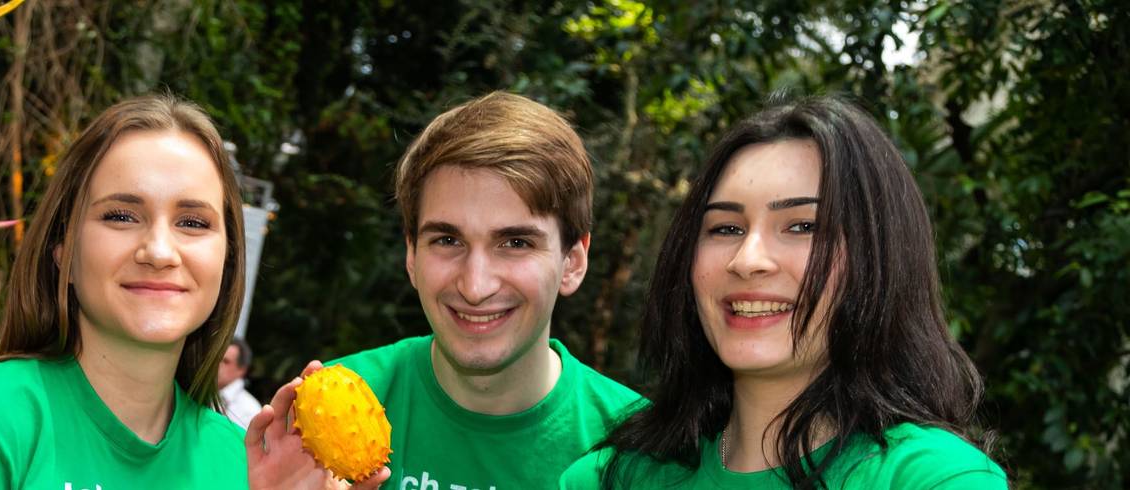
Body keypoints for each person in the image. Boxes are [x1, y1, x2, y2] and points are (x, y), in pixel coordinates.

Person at [559, 96, 1007, 488]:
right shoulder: (610, 478)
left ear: (878, 259)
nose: (748, 259)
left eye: (802, 226)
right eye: (726, 227)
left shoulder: (934, 479)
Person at [248, 92, 642, 489]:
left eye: (515, 243)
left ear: (572, 262)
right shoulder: (331, 413)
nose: (475, 286)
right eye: (448, 241)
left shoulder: (644, 451)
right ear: (411, 256)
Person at [0, 95, 251, 488]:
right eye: (121, 216)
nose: (160, 252)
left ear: (227, 258)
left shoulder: (243, 465)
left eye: (194, 222)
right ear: (63, 251)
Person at [219, 337, 262, 427]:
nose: (218, 365)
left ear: (241, 370)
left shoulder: (251, 410)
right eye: (216, 359)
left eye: (226, 361)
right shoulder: (199, 393)